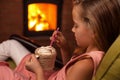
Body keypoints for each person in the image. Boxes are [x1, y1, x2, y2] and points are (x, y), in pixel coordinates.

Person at [0, 0, 120, 80]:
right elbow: (67, 72)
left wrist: (38, 71)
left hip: (41, 76)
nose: (72, 30)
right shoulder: (90, 54)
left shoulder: (86, 65)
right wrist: (65, 48)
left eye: (76, 25)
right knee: (12, 44)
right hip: (50, 75)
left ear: (95, 30)